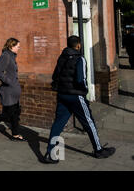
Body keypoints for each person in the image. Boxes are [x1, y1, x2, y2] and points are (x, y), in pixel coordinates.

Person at [43, 35, 116, 163]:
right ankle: (98, 150)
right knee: (89, 122)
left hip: (62, 94)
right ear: (78, 45)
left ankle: (50, 153)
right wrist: (85, 91)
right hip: (76, 95)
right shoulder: (79, 58)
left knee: (58, 123)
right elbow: (81, 79)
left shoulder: (62, 57)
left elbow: (55, 75)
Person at [0, 38, 26, 141]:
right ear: (11, 46)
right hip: (7, 90)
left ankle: (15, 134)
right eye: (17, 47)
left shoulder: (11, 56)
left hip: (13, 89)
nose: (19, 49)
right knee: (8, 114)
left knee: (15, 112)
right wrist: (9, 82)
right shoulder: (5, 56)